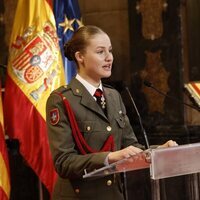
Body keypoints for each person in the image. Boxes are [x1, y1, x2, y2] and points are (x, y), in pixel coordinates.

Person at [46, 25, 177, 200]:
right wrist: (110, 157)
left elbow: (131, 147)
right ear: (80, 56)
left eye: (110, 51)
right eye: (100, 52)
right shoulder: (62, 100)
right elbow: (63, 163)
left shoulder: (113, 96)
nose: (109, 58)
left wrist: (157, 151)